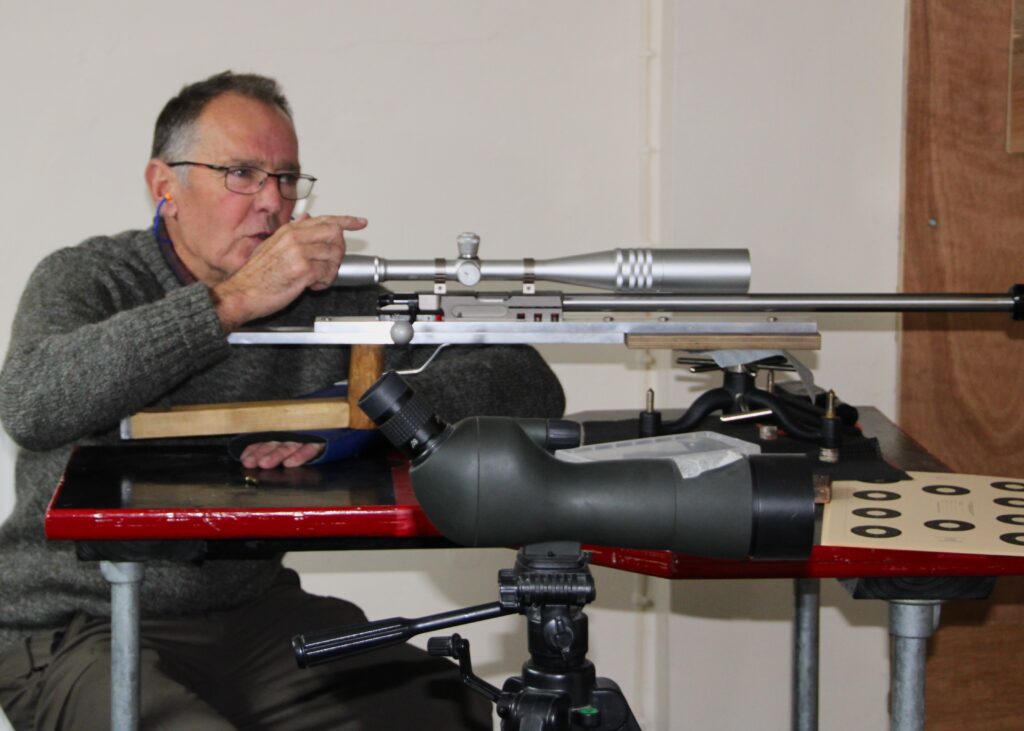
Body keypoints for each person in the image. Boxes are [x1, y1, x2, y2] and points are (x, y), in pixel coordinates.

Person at [0, 71, 565, 730]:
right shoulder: (87, 278)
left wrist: (358, 411)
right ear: (165, 186)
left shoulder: (323, 296)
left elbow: (529, 381)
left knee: (442, 707)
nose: (272, 202)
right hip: (74, 623)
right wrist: (234, 302)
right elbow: (33, 401)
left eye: (287, 178)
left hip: (251, 613)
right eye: (241, 173)